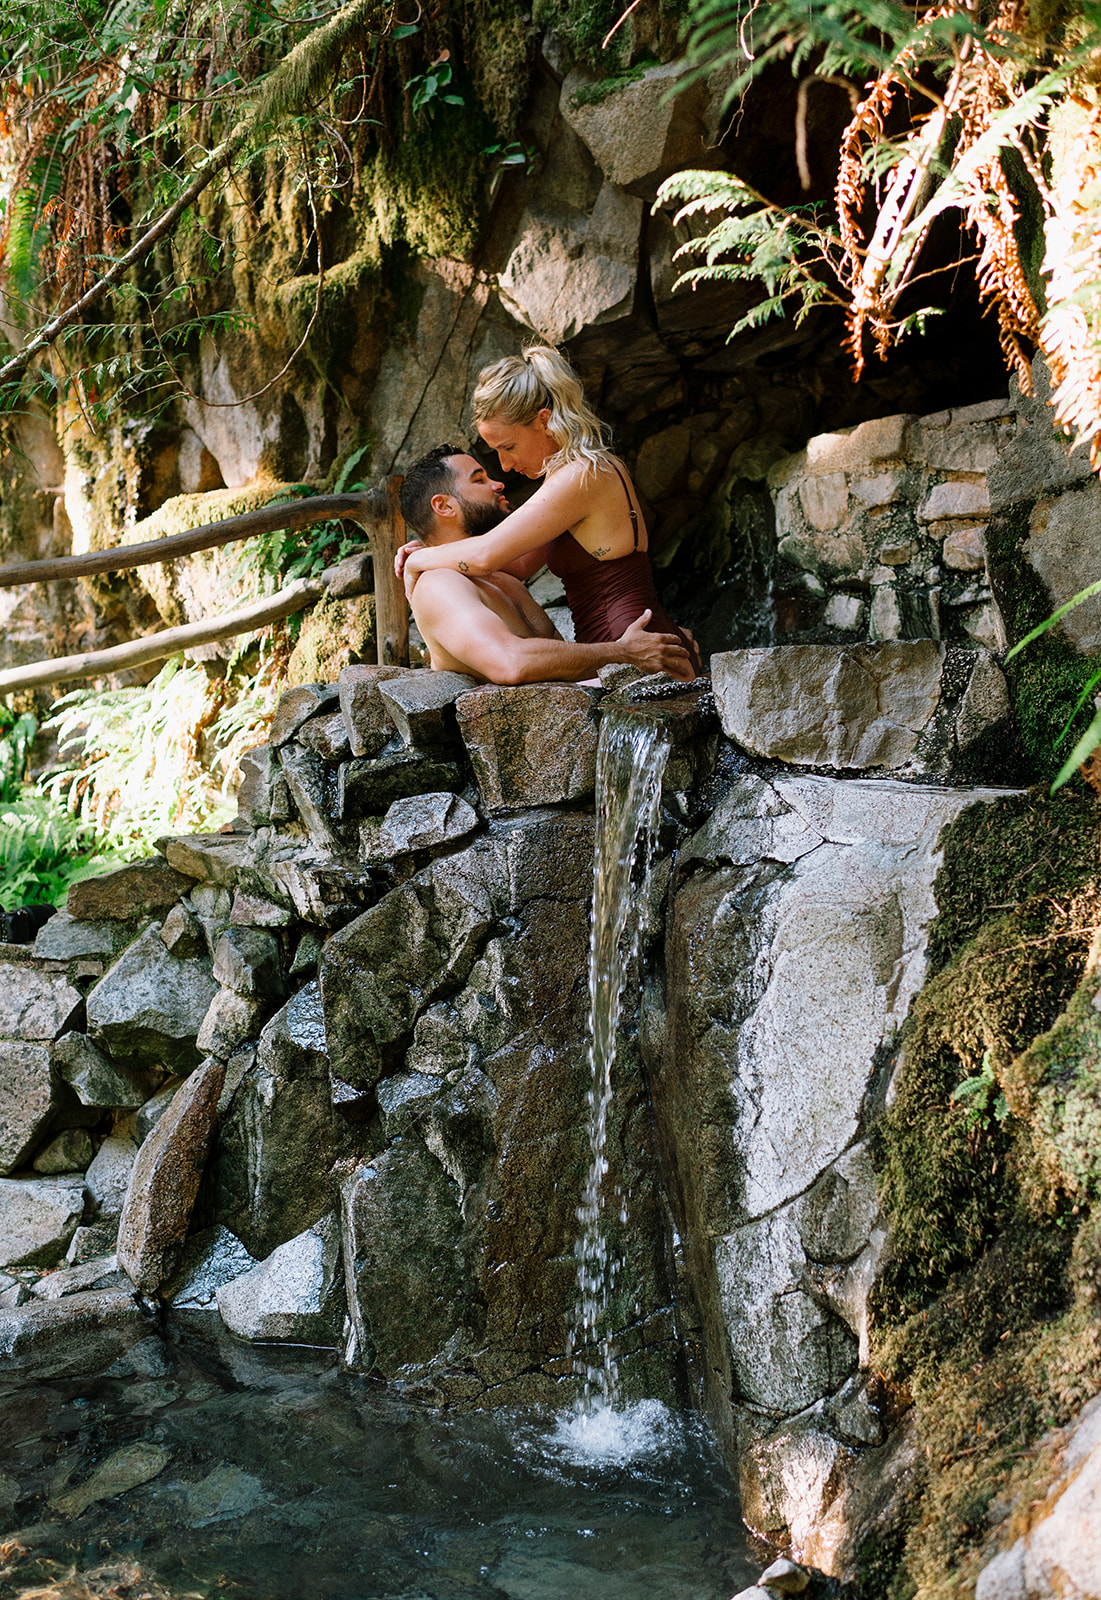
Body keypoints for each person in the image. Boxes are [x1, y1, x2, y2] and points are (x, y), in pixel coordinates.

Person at [396, 345, 700, 673]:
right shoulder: (576, 473)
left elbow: (487, 555)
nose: (506, 466)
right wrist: (434, 548)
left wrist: (420, 560)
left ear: (544, 421)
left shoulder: (582, 475)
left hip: (636, 652)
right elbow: (521, 563)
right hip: (635, 645)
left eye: (508, 447)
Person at [397, 446, 693, 685]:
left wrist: (665, 637)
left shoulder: (503, 579)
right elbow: (510, 663)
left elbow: (561, 669)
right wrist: (626, 653)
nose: (498, 483)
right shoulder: (439, 585)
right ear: (444, 506)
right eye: (479, 480)